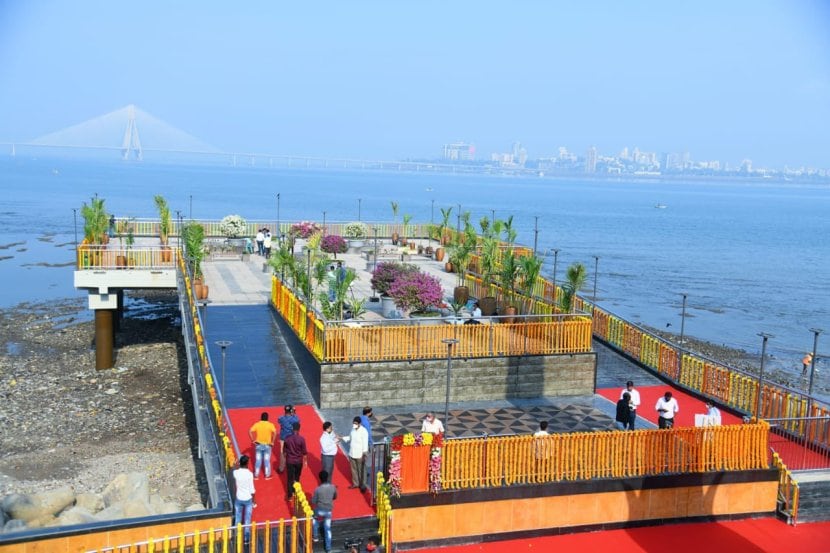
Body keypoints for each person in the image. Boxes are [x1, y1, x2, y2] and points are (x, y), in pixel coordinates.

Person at [311, 470, 337, 553]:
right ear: (327, 477)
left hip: (319, 510)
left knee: (315, 520)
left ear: (320, 479)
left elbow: (313, 501)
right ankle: (328, 548)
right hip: (328, 510)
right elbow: (335, 496)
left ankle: (315, 536)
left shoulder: (318, 489)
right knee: (328, 529)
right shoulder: (333, 487)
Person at [341, 416, 369, 492]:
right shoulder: (353, 429)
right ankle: (355, 483)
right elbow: (350, 437)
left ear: (359, 423)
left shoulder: (364, 431)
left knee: (361, 470)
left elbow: (365, 443)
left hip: (360, 453)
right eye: (353, 423)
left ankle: (363, 484)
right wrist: (342, 438)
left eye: (356, 423)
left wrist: (364, 453)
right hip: (352, 452)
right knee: (353, 469)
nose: (354, 425)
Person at [232, 455, 256, 544]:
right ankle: (246, 539)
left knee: (238, 517)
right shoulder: (249, 474)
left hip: (239, 498)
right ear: (247, 464)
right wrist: (254, 500)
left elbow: (234, 468)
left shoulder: (236, 473)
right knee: (247, 519)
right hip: (248, 499)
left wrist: (235, 465)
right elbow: (252, 489)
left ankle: (236, 536)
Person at [248, 411, 277, 479]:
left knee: (258, 460)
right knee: (266, 460)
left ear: (261, 418)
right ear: (267, 418)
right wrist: (272, 442)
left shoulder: (257, 424)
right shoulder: (270, 425)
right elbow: (275, 433)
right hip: (267, 445)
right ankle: (267, 475)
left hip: (258, 444)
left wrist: (253, 440)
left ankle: (256, 475)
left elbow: (250, 431)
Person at [283, 422, 307, 500]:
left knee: (289, 478)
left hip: (290, 461)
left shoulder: (287, 438)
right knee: (297, 477)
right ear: (299, 429)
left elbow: (284, 451)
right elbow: (304, 452)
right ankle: (295, 490)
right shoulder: (302, 439)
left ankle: (289, 495)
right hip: (298, 461)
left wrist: (285, 459)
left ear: (292, 428)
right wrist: (305, 461)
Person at [277, 405, 300, 473]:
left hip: (283, 438)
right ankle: (292, 466)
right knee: (293, 452)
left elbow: (279, 420)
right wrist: (294, 413)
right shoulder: (294, 419)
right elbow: (298, 421)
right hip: (292, 438)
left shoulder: (281, 418)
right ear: (291, 411)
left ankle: (281, 468)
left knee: (282, 453)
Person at [360, 406, 374, 485]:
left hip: (361, 441)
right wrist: (371, 442)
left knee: (363, 459)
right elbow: (368, 434)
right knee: (364, 458)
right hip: (365, 443)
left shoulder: (361, 418)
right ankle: (363, 474)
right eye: (371, 412)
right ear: (368, 413)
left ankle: (363, 472)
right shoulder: (366, 422)